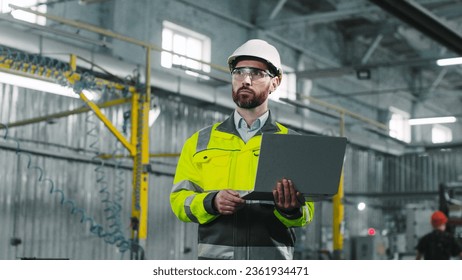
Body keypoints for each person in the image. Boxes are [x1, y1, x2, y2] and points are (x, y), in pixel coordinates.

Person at [170, 39, 314, 260]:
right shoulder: (200, 142)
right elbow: (179, 201)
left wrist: (290, 209)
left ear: (274, 83)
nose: (246, 80)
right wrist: (211, 202)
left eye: (257, 73)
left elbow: (306, 214)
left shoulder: (292, 143)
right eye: (239, 72)